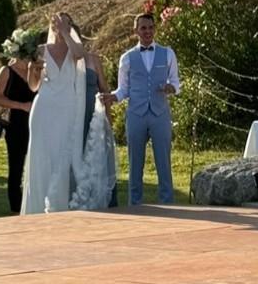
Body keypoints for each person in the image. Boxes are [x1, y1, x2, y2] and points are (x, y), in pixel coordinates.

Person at [106, 13, 179, 205]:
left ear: (155, 29)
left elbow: (175, 82)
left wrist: (171, 88)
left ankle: (167, 204)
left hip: (160, 113)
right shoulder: (127, 58)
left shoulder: (168, 53)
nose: (147, 31)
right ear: (136, 31)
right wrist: (113, 97)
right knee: (135, 163)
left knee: (163, 162)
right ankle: (135, 204)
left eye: (150, 27)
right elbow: (124, 89)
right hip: (136, 114)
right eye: (143, 28)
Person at [22, 12, 88, 215]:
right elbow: (33, 86)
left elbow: (79, 55)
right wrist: (33, 70)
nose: (58, 25)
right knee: (41, 154)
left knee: (62, 154)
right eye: (55, 22)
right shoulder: (40, 50)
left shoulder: (74, 49)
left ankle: (58, 205)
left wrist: (66, 32)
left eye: (63, 22)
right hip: (44, 107)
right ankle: (36, 206)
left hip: (67, 107)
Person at [0, 36, 40, 212]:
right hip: (16, 123)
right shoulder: (6, 72)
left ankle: (35, 200)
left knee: (36, 163)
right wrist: (21, 106)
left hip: (37, 122)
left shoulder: (36, 69)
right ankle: (16, 207)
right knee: (16, 166)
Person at [70, 44, 119, 210]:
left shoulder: (93, 59)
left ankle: (103, 199)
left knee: (98, 154)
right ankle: (76, 197)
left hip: (92, 113)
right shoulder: (64, 62)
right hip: (73, 115)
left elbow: (104, 89)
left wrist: (108, 118)